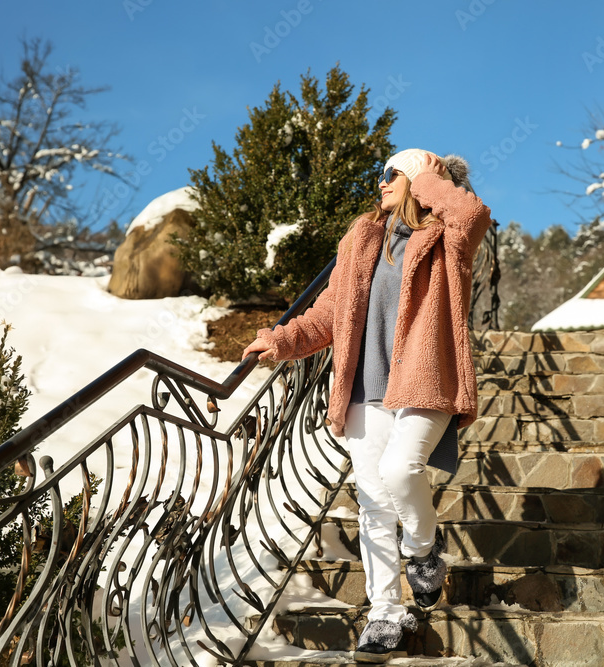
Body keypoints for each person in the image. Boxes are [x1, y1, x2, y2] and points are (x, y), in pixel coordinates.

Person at [242, 148, 492, 662]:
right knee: (374, 504)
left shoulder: (449, 237)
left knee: (402, 471)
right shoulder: (363, 237)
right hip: (363, 389)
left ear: (423, 178)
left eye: (390, 174)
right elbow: (330, 312)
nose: (379, 183)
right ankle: (384, 613)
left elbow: (471, 213)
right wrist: (282, 340)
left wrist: (428, 181)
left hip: (425, 380)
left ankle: (423, 549)